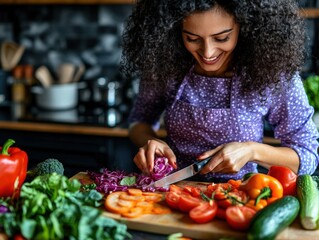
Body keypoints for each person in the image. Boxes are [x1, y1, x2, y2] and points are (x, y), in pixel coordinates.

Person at [121, 0, 319, 182]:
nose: (207, 52)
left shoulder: (272, 73)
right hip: (171, 191)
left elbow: (307, 156)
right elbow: (139, 121)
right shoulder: (166, 65)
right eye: (192, 38)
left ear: (246, 27)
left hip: (238, 199)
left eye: (222, 38)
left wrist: (251, 151)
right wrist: (150, 142)